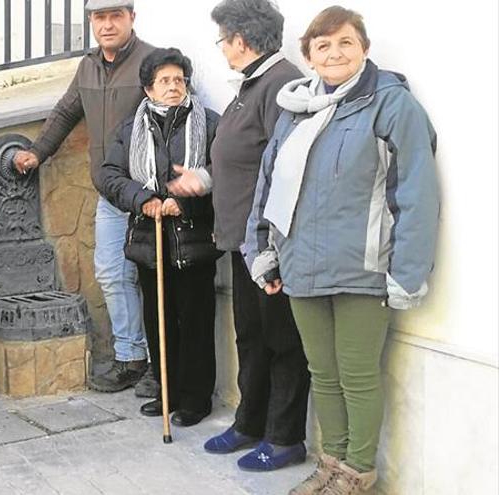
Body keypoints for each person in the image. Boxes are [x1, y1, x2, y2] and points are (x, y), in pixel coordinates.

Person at [243, 6, 439, 494]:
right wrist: (263, 251)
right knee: (322, 375)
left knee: (357, 377)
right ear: (309, 55)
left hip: (362, 270)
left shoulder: (391, 105)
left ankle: (357, 473)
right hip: (301, 268)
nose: (334, 53)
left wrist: (408, 273)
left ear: (364, 49)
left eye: (345, 43)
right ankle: (331, 466)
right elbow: (267, 186)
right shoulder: (295, 109)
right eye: (323, 45)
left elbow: (417, 193)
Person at [169, 0, 310, 472]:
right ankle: (250, 423)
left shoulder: (281, 83)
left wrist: (268, 244)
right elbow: (241, 157)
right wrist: (204, 179)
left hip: (267, 244)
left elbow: (285, 170)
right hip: (239, 240)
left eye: (222, 40)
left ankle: (286, 437)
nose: (222, 49)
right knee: (251, 337)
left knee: (282, 340)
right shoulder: (251, 85)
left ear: (242, 40)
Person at [12, 0, 157, 395]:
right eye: (99, 17)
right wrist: (37, 153)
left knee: (154, 280)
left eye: (115, 16)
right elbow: (64, 113)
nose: (107, 25)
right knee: (112, 274)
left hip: (148, 194)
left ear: (131, 18)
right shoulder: (88, 65)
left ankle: (161, 369)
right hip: (110, 193)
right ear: (91, 21)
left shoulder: (153, 61)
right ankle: (131, 357)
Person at [98, 48, 222, 427]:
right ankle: (167, 391)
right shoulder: (130, 128)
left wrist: (182, 204)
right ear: (148, 89)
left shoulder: (210, 123)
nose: (173, 87)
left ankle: (196, 399)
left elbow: (223, 170)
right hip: (150, 240)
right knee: (158, 318)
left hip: (193, 240)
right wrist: (145, 200)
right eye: (164, 81)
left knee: (195, 320)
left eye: (179, 80)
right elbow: (109, 175)